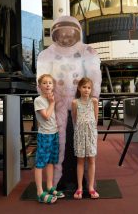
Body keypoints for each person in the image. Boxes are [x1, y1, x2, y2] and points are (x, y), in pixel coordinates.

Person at [36, 16, 101, 188]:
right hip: (57, 102)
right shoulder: (47, 54)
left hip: (81, 100)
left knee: (85, 142)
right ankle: (55, 182)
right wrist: (47, 98)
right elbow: (41, 78)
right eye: (61, 34)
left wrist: (93, 96)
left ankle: (88, 182)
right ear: (54, 34)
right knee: (59, 141)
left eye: (69, 34)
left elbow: (94, 74)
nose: (65, 37)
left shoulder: (87, 51)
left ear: (77, 33)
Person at [34, 74, 65, 203]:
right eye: (45, 83)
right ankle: (40, 192)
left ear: (53, 86)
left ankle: (50, 187)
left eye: (50, 83)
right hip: (45, 135)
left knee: (51, 162)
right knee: (40, 163)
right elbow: (46, 116)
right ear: (40, 86)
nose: (47, 85)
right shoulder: (39, 100)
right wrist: (52, 102)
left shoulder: (51, 98)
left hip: (54, 133)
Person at [72, 77, 99, 200]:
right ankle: (79, 188)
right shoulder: (75, 102)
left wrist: (91, 131)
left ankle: (91, 187)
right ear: (79, 88)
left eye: (89, 87)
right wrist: (80, 129)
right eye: (84, 87)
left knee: (92, 160)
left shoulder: (94, 101)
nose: (86, 90)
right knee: (80, 161)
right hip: (79, 134)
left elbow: (96, 118)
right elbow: (75, 118)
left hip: (91, 134)